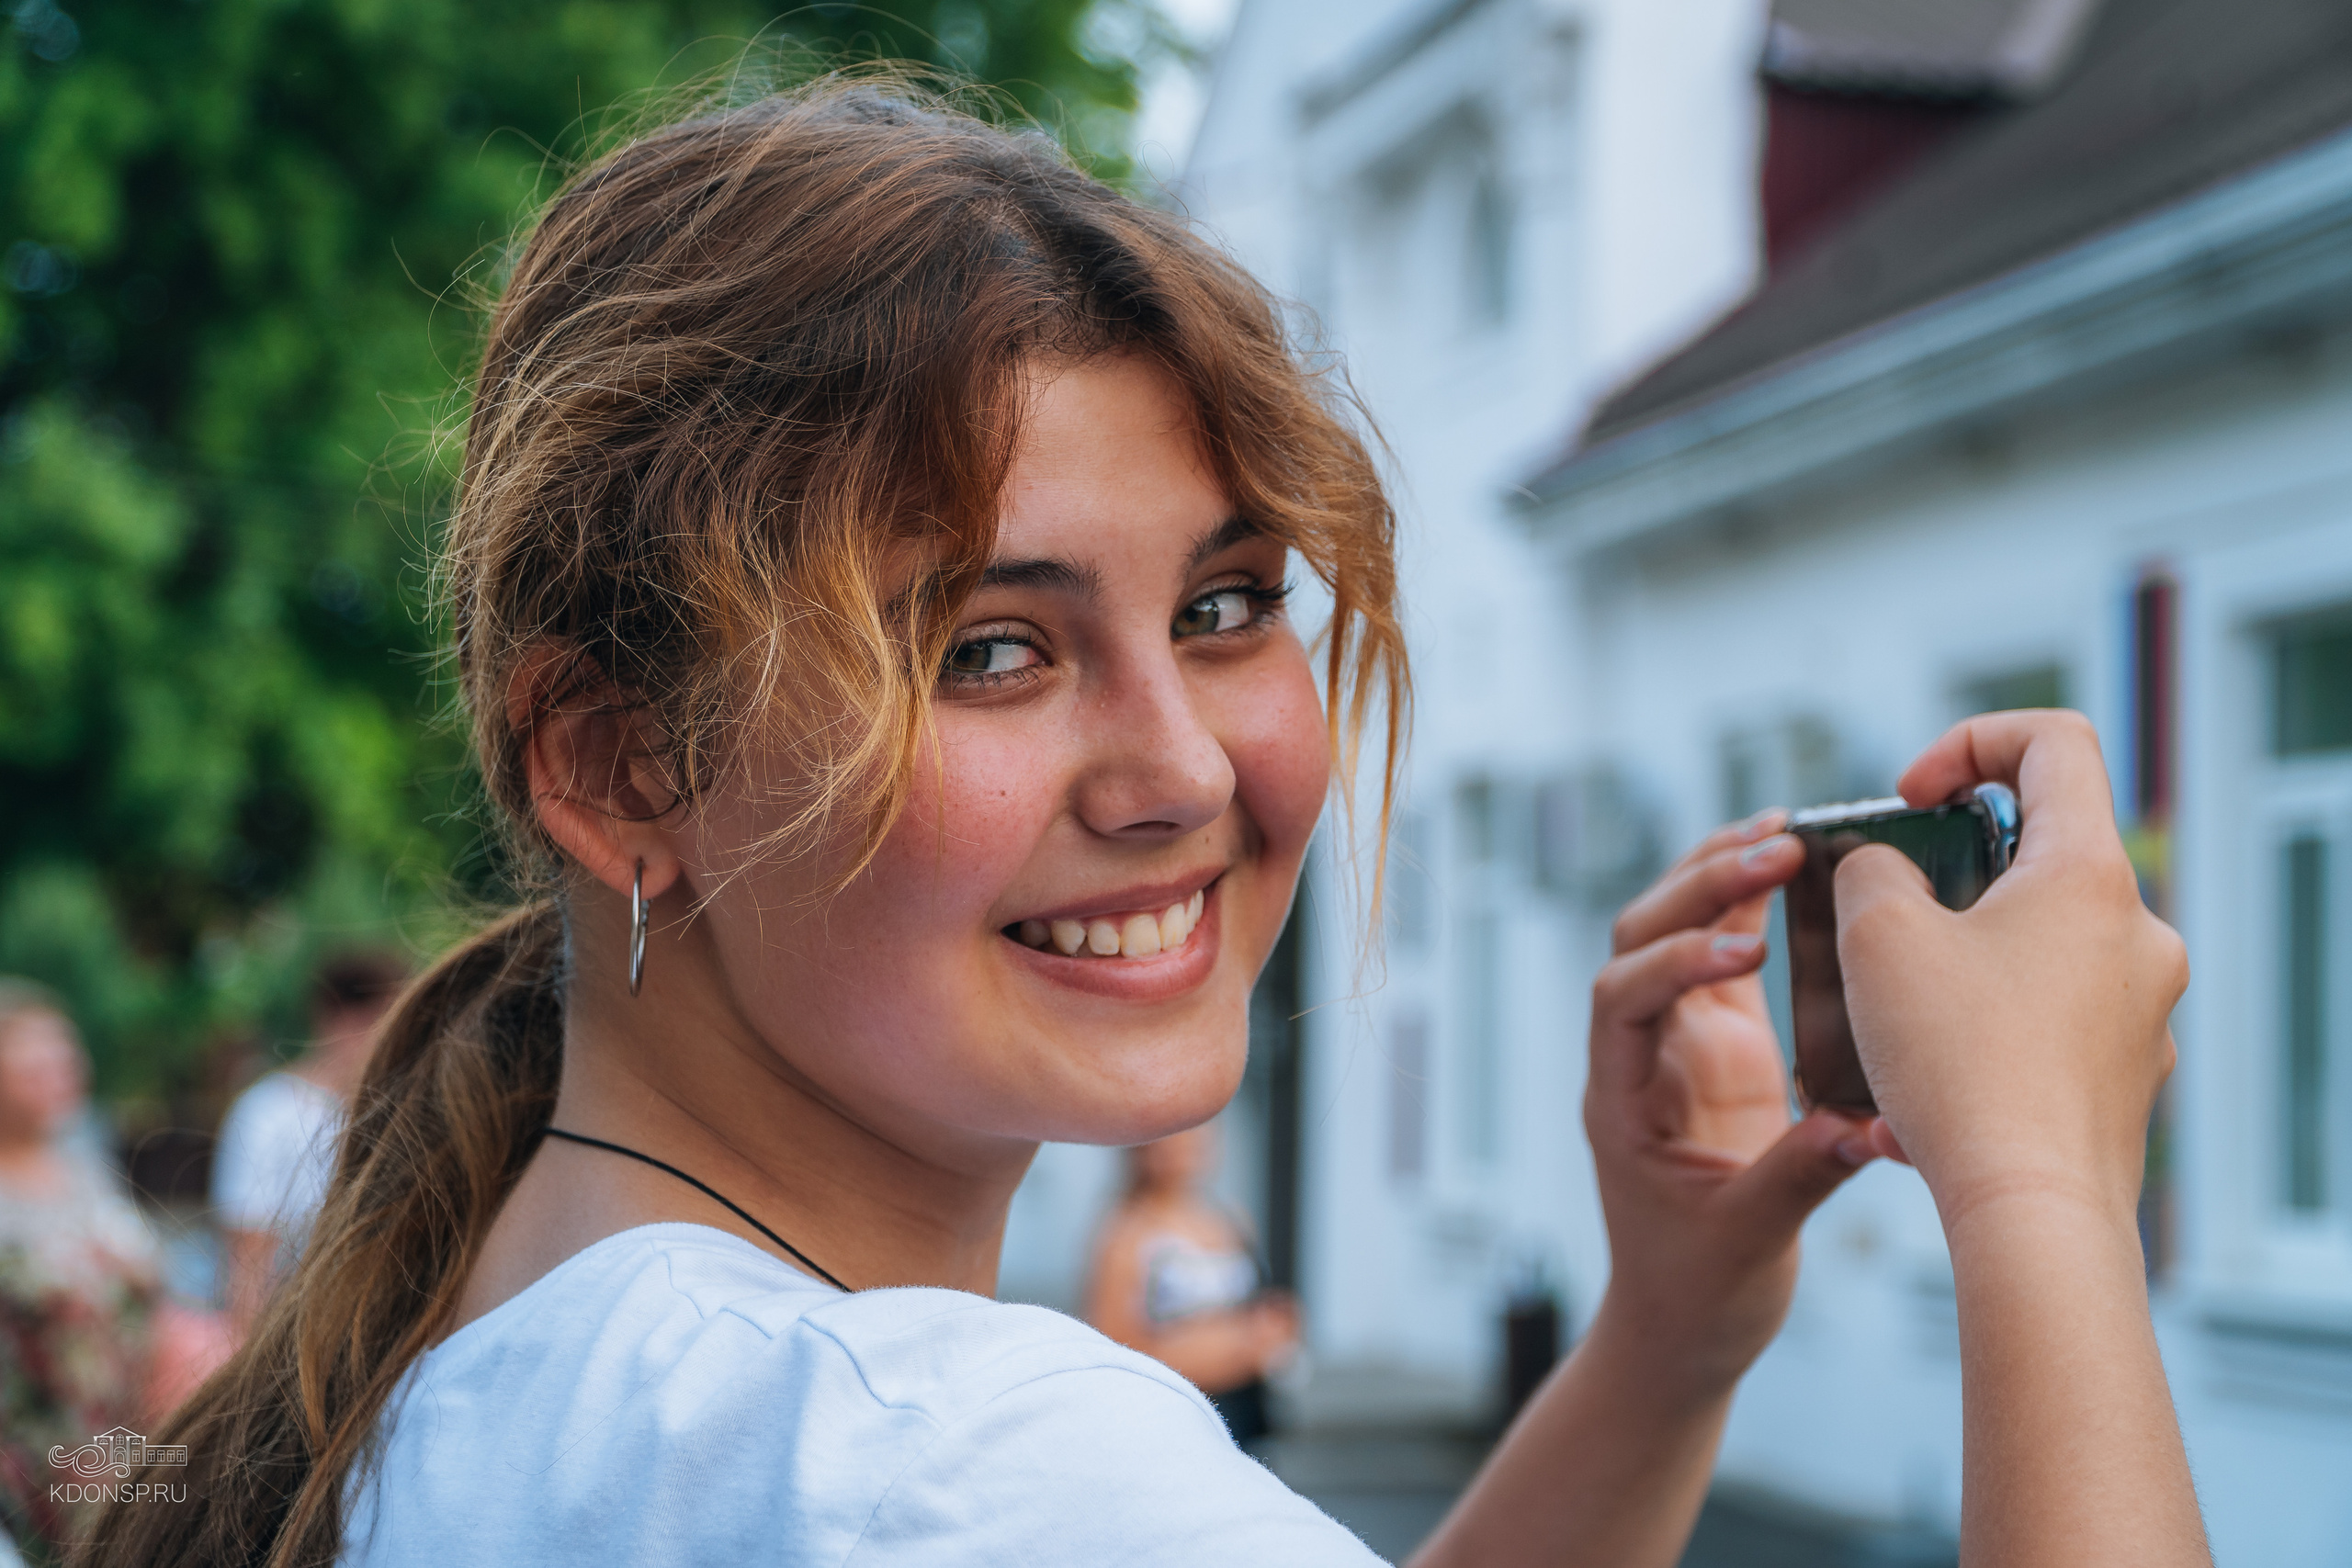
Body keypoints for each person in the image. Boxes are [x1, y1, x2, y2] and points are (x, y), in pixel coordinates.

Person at [87, 79, 2206, 1568]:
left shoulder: (493, 1370)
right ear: (619, 764)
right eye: (994, 647)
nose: (1184, 764)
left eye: (1220, 608)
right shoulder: (936, 1455)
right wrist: (2037, 1188)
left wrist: (1661, 1341)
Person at [0, 985, 227, 1564]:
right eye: (37, 1062)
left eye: (68, 1056)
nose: (64, 1072)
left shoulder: (83, 1168)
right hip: (45, 1467)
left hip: (130, 1439)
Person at [210, 953, 405, 1332]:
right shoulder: (268, 1111)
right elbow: (248, 1263)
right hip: (289, 1335)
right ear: (346, 1022)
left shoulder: (394, 1116)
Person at [1085, 1124, 1295, 1447]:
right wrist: (1231, 1353)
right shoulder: (1126, 1233)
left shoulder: (1231, 1219)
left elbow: (1257, 1306)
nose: (1183, 1147)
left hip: (1244, 1411)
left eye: (1194, 1135)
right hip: (1176, 1415)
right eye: (1172, 1138)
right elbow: (1115, 1346)